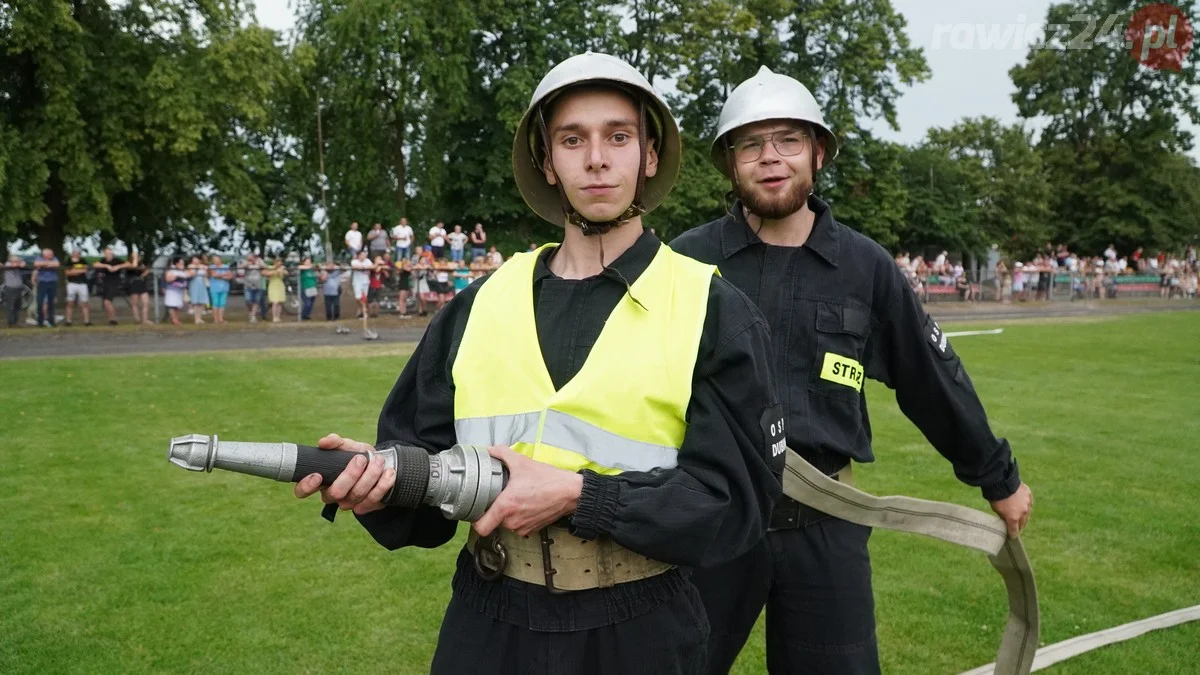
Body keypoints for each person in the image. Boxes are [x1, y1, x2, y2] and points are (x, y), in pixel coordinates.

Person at [293, 52, 784, 675]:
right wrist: (379, 490)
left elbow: (733, 504)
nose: (597, 158)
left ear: (650, 155)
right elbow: (423, 466)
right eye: (572, 139)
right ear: (548, 163)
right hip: (489, 617)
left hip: (640, 629)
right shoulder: (477, 305)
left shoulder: (714, 310)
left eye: (619, 136)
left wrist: (582, 496)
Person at [670, 66, 1033, 675]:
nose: (770, 157)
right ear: (731, 163)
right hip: (712, 518)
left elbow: (932, 379)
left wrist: (998, 476)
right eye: (751, 143)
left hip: (827, 526)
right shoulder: (685, 261)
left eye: (787, 139)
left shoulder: (865, 268)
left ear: (816, 153)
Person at [93, 247, 127, 325]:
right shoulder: (103, 261)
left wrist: (118, 266)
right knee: (106, 303)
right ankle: (111, 319)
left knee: (107, 301)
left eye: (110, 253)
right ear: (104, 254)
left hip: (114, 283)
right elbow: (95, 264)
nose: (108, 255)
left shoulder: (116, 260)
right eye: (107, 253)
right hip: (105, 283)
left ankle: (113, 319)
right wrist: (106, 266)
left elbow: (127, 263)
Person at [33, 248, 60, 327]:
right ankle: (40, 321)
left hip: (52, 283)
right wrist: (48, 264)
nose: (52, 255)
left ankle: (51, 321)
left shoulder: (55, 258)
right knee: (40, 302)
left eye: (52, 254)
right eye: (50, 254)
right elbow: (36, 264)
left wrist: (43, 264)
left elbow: (56, 264)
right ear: (44, 255)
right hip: (42, 283)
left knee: (51, 303)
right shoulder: (39, 258)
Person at [64, 250, 92, 326]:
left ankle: (87, 321)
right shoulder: (68, 262)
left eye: (77, 253)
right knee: (70, 302)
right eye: (74, 253)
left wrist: (74, 271)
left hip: (82, 284)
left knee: (85, 303)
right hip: (72, 284)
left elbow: (85, 270)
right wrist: (80, 270)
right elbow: (67, 272)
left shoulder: (83, 261)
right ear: (72, 254)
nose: (76, 255)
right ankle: (68, 321)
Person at [126, 251, 152, 324]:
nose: (137, 257)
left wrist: (143, 274)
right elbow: (134, 266)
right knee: (134, 303)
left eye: (137, 256)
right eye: (134, 256)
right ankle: (137, 319)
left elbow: (147, 270)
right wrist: (135, 259)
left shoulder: (142, 264)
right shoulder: (128, 264)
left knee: (146, 302)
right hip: (133, 284)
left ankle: (145, 319)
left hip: (141, 283)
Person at [163, 257, 190, 325]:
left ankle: (177, 319)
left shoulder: (183, 271)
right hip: (172, 290)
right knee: (172, 305)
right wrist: (177, 277)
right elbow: (168, 279)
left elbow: (189, 275)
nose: (182, 265)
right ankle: (174, 320)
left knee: (178, 306)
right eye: (180, 263)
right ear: (176, 263)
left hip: (179, 291)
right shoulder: (171, 270)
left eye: (182, 263)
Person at [350, 249, 373, 320]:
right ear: (359, 255)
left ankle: (363, 313)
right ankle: (363, 308)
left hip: (365, 281)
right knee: (358, 297)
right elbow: (354, 267)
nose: (364, 256)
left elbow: (372, 267)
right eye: (362, 255)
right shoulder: (354, 261)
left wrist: (363, 267)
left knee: (364, 298)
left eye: (365, 255)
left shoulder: (368, 261)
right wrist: (364, 267)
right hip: (357, 282)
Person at [209, 255, 233, 324]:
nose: (215, 261)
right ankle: (215, 319)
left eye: (216, 259)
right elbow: (214, 275)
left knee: (222, 304)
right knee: (215, 303)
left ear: (220, 259)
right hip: (214, 288)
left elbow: (230, 276)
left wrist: (220, 276)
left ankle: (221, 319)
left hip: (224, 288)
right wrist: (224, 274)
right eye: (214, 259)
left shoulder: (226, 266)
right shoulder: (212, 267)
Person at [3, 254, 26, 327]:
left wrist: (19, 262)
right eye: (15, 260)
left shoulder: (18, 264)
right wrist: (18, 263)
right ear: (10, 260)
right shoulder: (8, 264)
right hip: (10, 288)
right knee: (10, 306)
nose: (17, 261)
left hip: (19, 287)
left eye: (18, 260)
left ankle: (16, 322)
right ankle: (10, 322)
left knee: (17, 305)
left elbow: (23, 264)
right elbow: (14, 265)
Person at [186, 255, 209, 324]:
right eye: (194, 259)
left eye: (196, 259)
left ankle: (200, 318)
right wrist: (197, 269)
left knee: (201, 302)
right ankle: (196, 319)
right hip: (194, 284)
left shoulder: (203, 266)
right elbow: (192, 275)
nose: (195, 261)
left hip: (202, 284)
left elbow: (206, 275)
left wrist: (205, 269)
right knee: (196, 302)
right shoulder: (190, 266)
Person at [243, 253, 264, 323]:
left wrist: (258, 264)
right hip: (248, 285)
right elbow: (241, 266)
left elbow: (265, 266)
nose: (250, 259)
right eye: (248, 257)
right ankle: (251, 312)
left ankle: (253, 316)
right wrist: (248, 263)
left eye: (251, 257)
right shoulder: (246, 262)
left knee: (256, 301)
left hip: (258, 284)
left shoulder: (259, 261)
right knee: (247, 300)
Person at [265, 258, 287, 323]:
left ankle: (278, 317)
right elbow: (267, 274)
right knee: (275, 302)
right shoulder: (270, 267)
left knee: (280, 302)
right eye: (278, 262)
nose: (279, 263)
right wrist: (277, 271)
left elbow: (286, 273)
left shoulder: (282, 268)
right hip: (273, 285)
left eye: (280, 262)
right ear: (275, 262)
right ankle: (274, 317)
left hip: (280, 285)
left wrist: (282, 270)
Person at [298, 256, 318, 320]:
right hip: (305, 288)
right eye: (307, 261)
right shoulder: (303, 270)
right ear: (304, 262)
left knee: (311, 303)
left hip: (313, 288)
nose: (308, 263)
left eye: (309, 261)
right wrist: (310, 266)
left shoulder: (312, 270)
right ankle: (303, 315)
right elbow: (299, 267)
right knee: (307, 303)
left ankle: (307, 315)